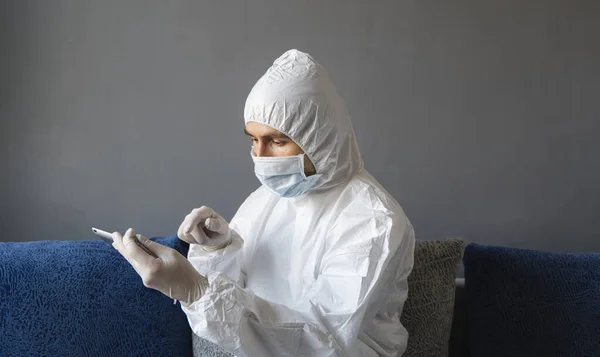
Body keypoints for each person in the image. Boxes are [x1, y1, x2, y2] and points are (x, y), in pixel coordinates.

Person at [112, 49, 415, 357]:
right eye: (253, 140)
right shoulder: (267, 201)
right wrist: (219, 251)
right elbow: (231, 315)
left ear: (321, 137)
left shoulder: (373, 219)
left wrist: (196, 291)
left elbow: (321, 342)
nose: (261, 157)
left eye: (277, 141)